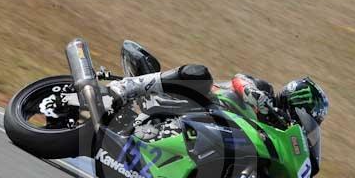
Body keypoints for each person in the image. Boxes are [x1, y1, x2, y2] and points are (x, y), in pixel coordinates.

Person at [108, 64, 329, 127]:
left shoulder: (280, 130)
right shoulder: (266, 90)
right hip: (203, 102)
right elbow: (239, 79)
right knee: (200, 74)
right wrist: (255, 96)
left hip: (210, 130)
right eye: (314, 116)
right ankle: (130, 86)